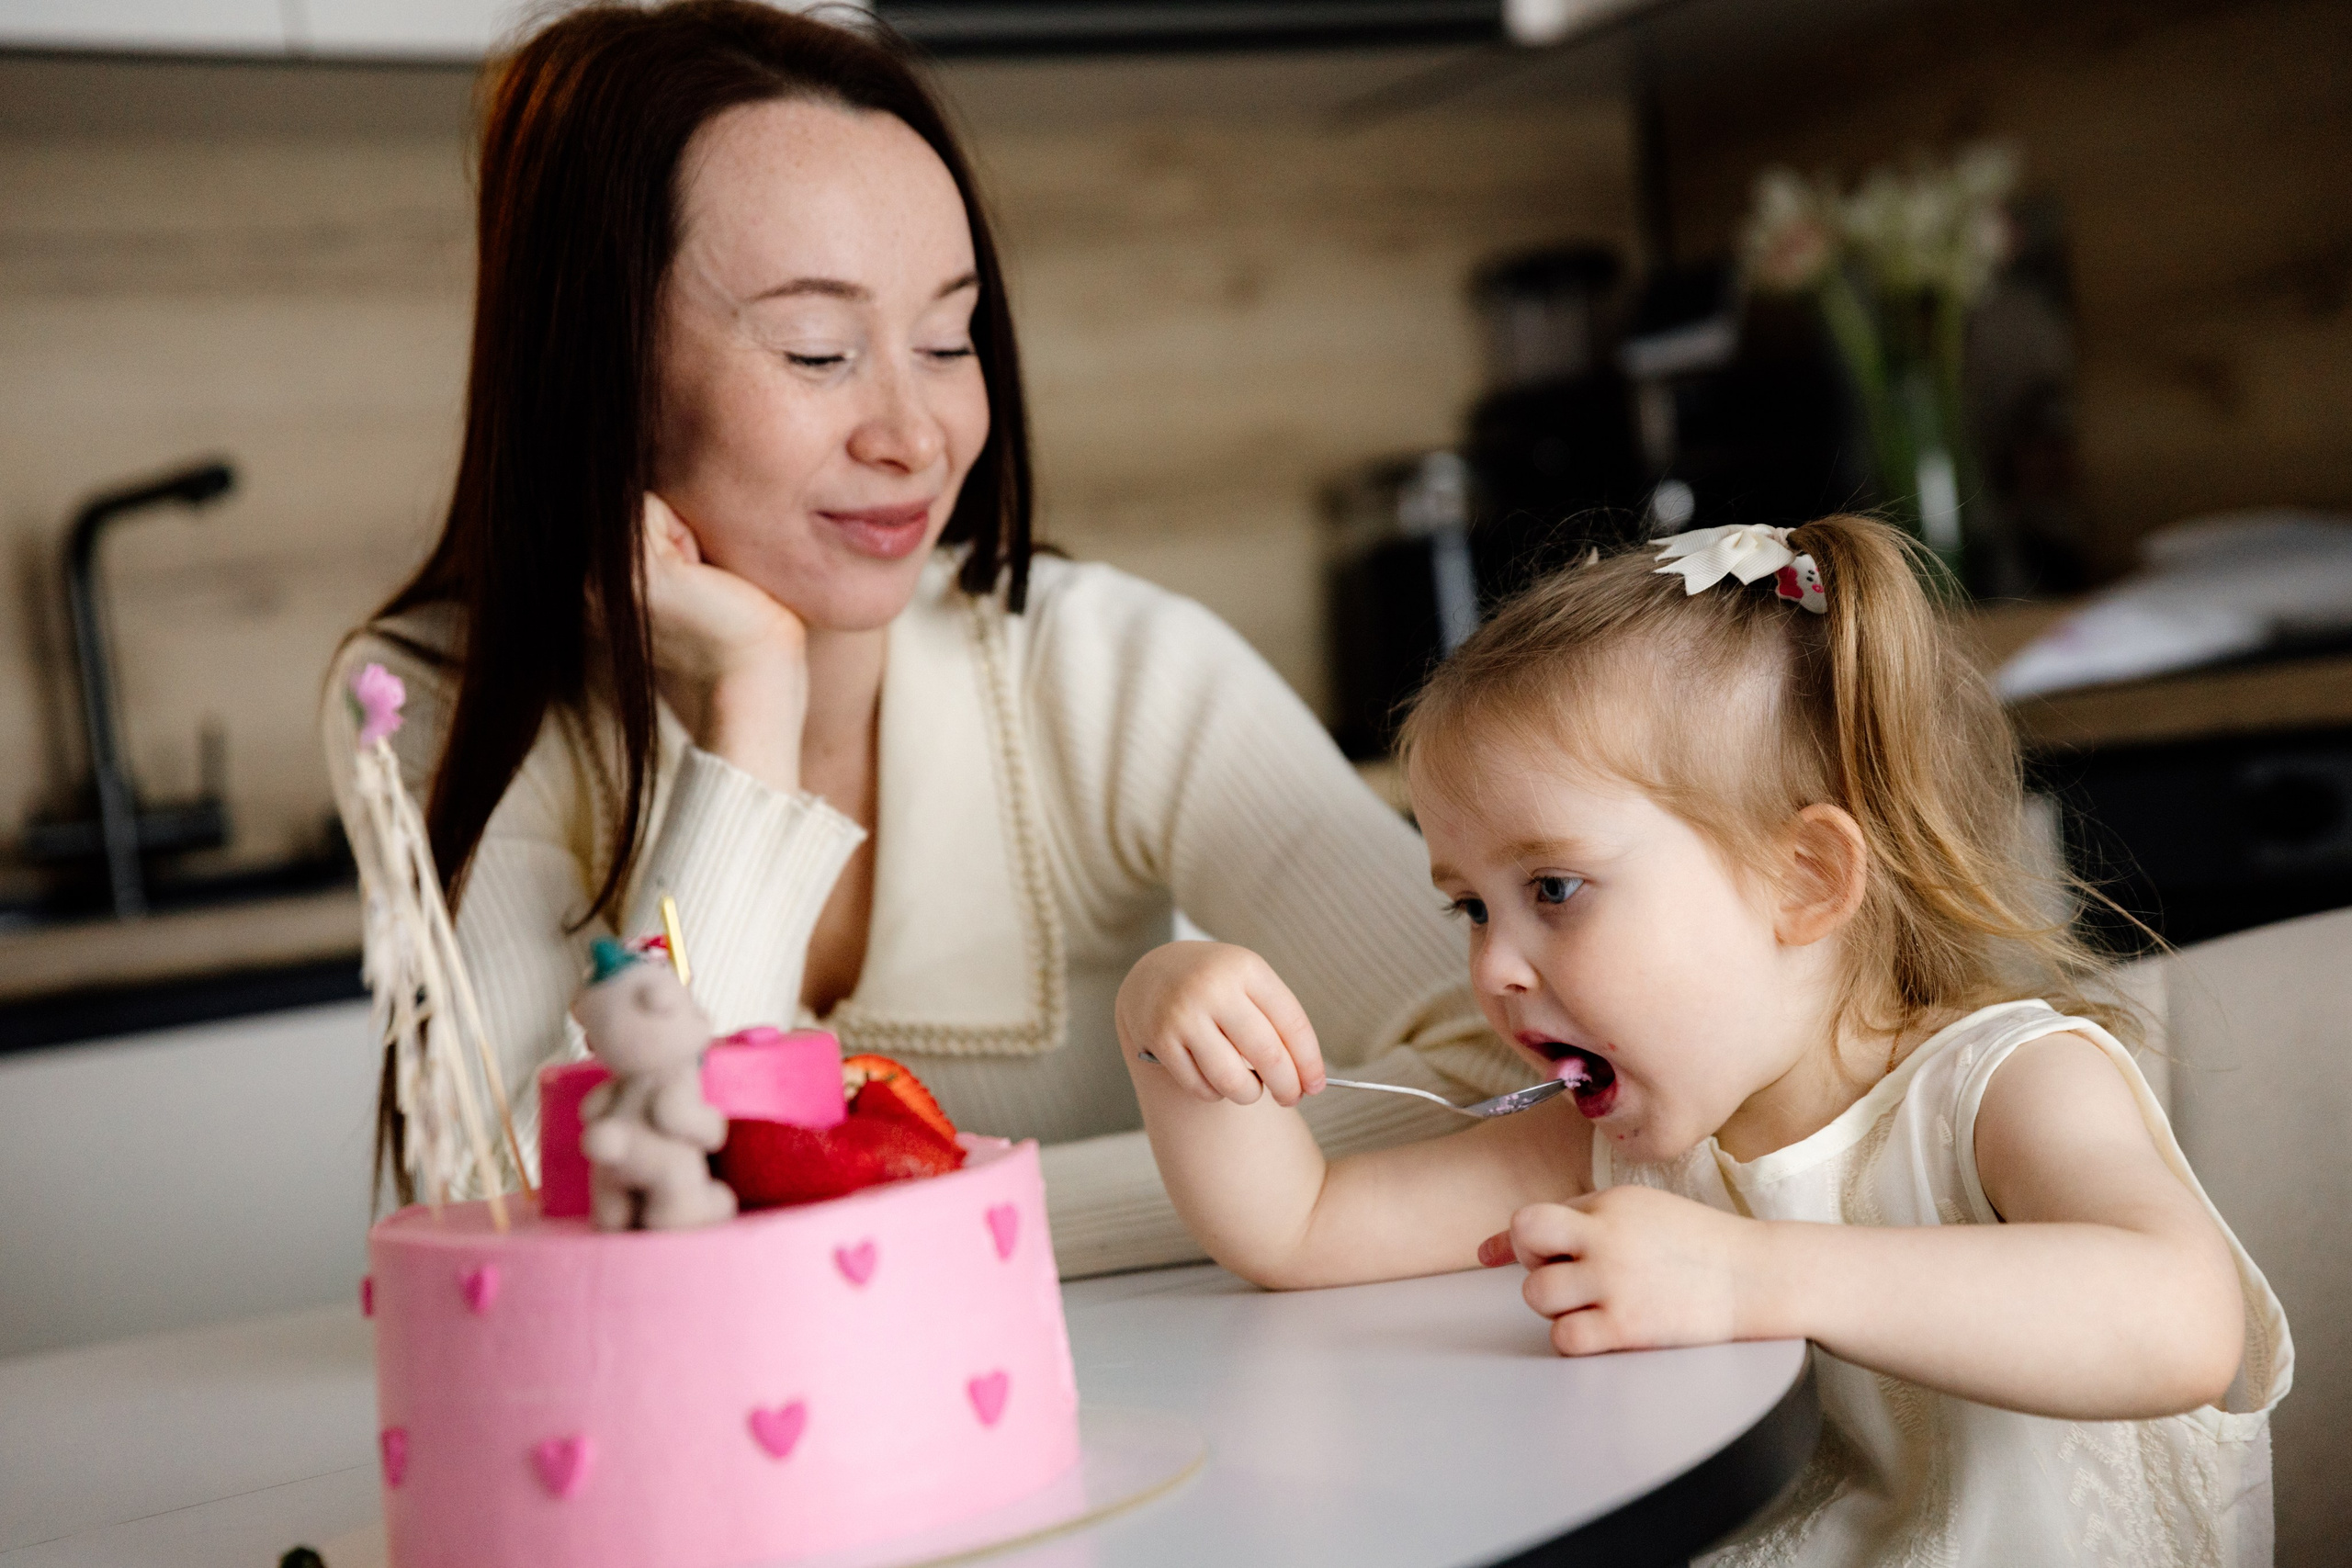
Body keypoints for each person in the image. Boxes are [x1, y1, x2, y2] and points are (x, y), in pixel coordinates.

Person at [321, 0, 1525, 1278]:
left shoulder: (1105, 672)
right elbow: (537, 1224)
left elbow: (1512, 1074)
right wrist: (754, 701)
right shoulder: (436, 698)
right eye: (819, 348)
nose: (916, 430)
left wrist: (908, 1212)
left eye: (948, 339)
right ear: (599, 371)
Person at [1118, 515, 2291, 1562]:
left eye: (1556, 889)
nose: (1493, 968)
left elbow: (2180, 1320)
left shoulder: (2002, 1085)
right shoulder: (1623, 1142)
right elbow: (1297, 1228)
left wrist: (1744, 1276)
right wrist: (1171, 1026)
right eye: (1471, 905)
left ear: (1803, 880)